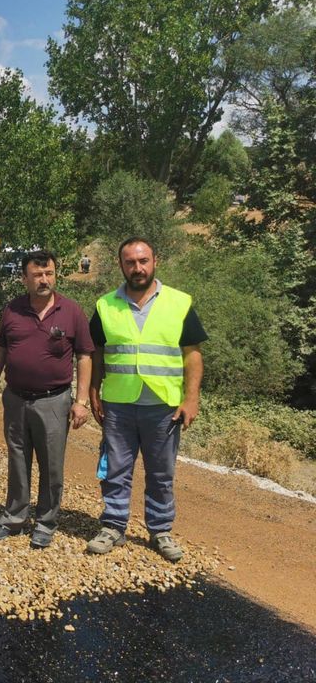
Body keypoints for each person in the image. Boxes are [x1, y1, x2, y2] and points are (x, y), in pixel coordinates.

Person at [86, 237, 206, 562]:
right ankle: (113, 526)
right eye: (130, 262)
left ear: (155, 261)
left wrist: (191, 399)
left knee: (161, 474)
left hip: (163, 407)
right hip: (118, 405)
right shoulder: (105, 306)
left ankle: (161, 530)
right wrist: (94, 390)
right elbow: (96, 352)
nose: (137, 268)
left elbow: (192, 354)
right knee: (115, 470)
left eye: (143, 261)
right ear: (121, 265)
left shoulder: (179, 303)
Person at [0, 250, 93, 548]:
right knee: (17, 460)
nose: (44, 280)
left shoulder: (72, 311)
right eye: (37, 275)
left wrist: (81, 401)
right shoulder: (12, 310)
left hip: (54, 401)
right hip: (16, 399)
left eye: (49, 274)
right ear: (24, 279)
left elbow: (84, 356)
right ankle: (14, 518)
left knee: (51, 465)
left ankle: (45, 522)